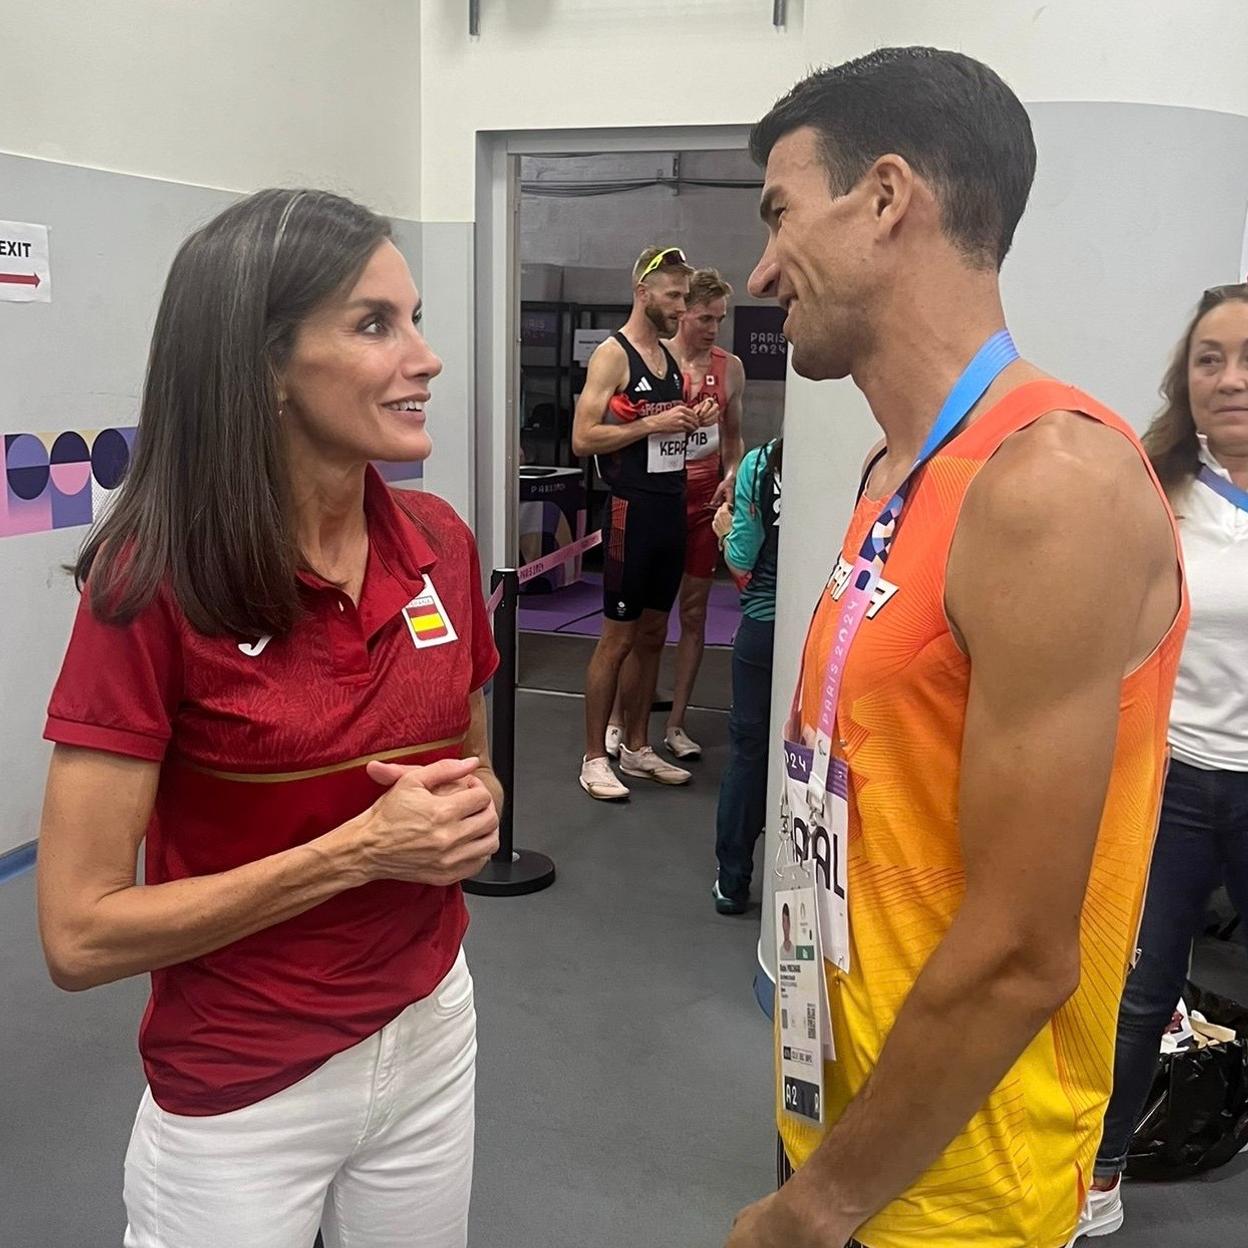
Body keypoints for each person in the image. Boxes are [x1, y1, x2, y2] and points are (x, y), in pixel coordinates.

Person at [725, 49, 1187, 1248]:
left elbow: (1024, 952)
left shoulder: (1054, 487)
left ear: (885, 200)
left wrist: (812, 1211)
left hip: (954, 1188)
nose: (765, 267)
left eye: (781, 213)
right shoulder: (897, 471)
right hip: (849, 1109)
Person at [36, 189, 502, 1248]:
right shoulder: (148, 588)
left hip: (431, 1030)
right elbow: (77, 932)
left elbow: (470, 767)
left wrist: (466, 815)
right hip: (244, 1090)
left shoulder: (440, 540)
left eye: (415, 316)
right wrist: (357, 854)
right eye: (376, 324)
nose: (425, 357)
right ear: (265, 366)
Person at [1082, 282, 1248, 1238]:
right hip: (1171, 780)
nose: (1229, 379)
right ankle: (1101, 1171)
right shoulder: (1151, 489)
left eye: (1246, 359)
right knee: (1139, 991)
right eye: (1209, 359)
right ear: (1183, 381)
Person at [572, 246, 704, 800]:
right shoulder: (614, 354)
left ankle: (637, 745)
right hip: (629, 509)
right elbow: (583, 439)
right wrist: (651, 427)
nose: (682, 306)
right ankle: (593, 757)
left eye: (685, 296)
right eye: (673, 295)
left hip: (670, 506)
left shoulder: (668, 361)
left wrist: (692, 421)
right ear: (643, 293)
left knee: (654, 634)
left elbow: (665, 429)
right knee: (617, 638)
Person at [606, 268, 746, 763]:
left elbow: (733, 436)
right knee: (639, 621)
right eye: (705, 317)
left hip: (704, 499)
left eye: (719, 320)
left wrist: (733, 475)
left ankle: (677, 723)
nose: (713, 328)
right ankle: (620, 722)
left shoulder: (730, 368)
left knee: (692, 613)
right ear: (683, 312)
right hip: (659, 495)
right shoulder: (659, 364)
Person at [710, 436, 782, 915]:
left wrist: (723, 528)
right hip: (837, 626)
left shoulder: (767, 459)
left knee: (750, 752)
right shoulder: (878, 453)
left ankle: (734, 881)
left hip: (764, 625)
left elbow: (739, 558)